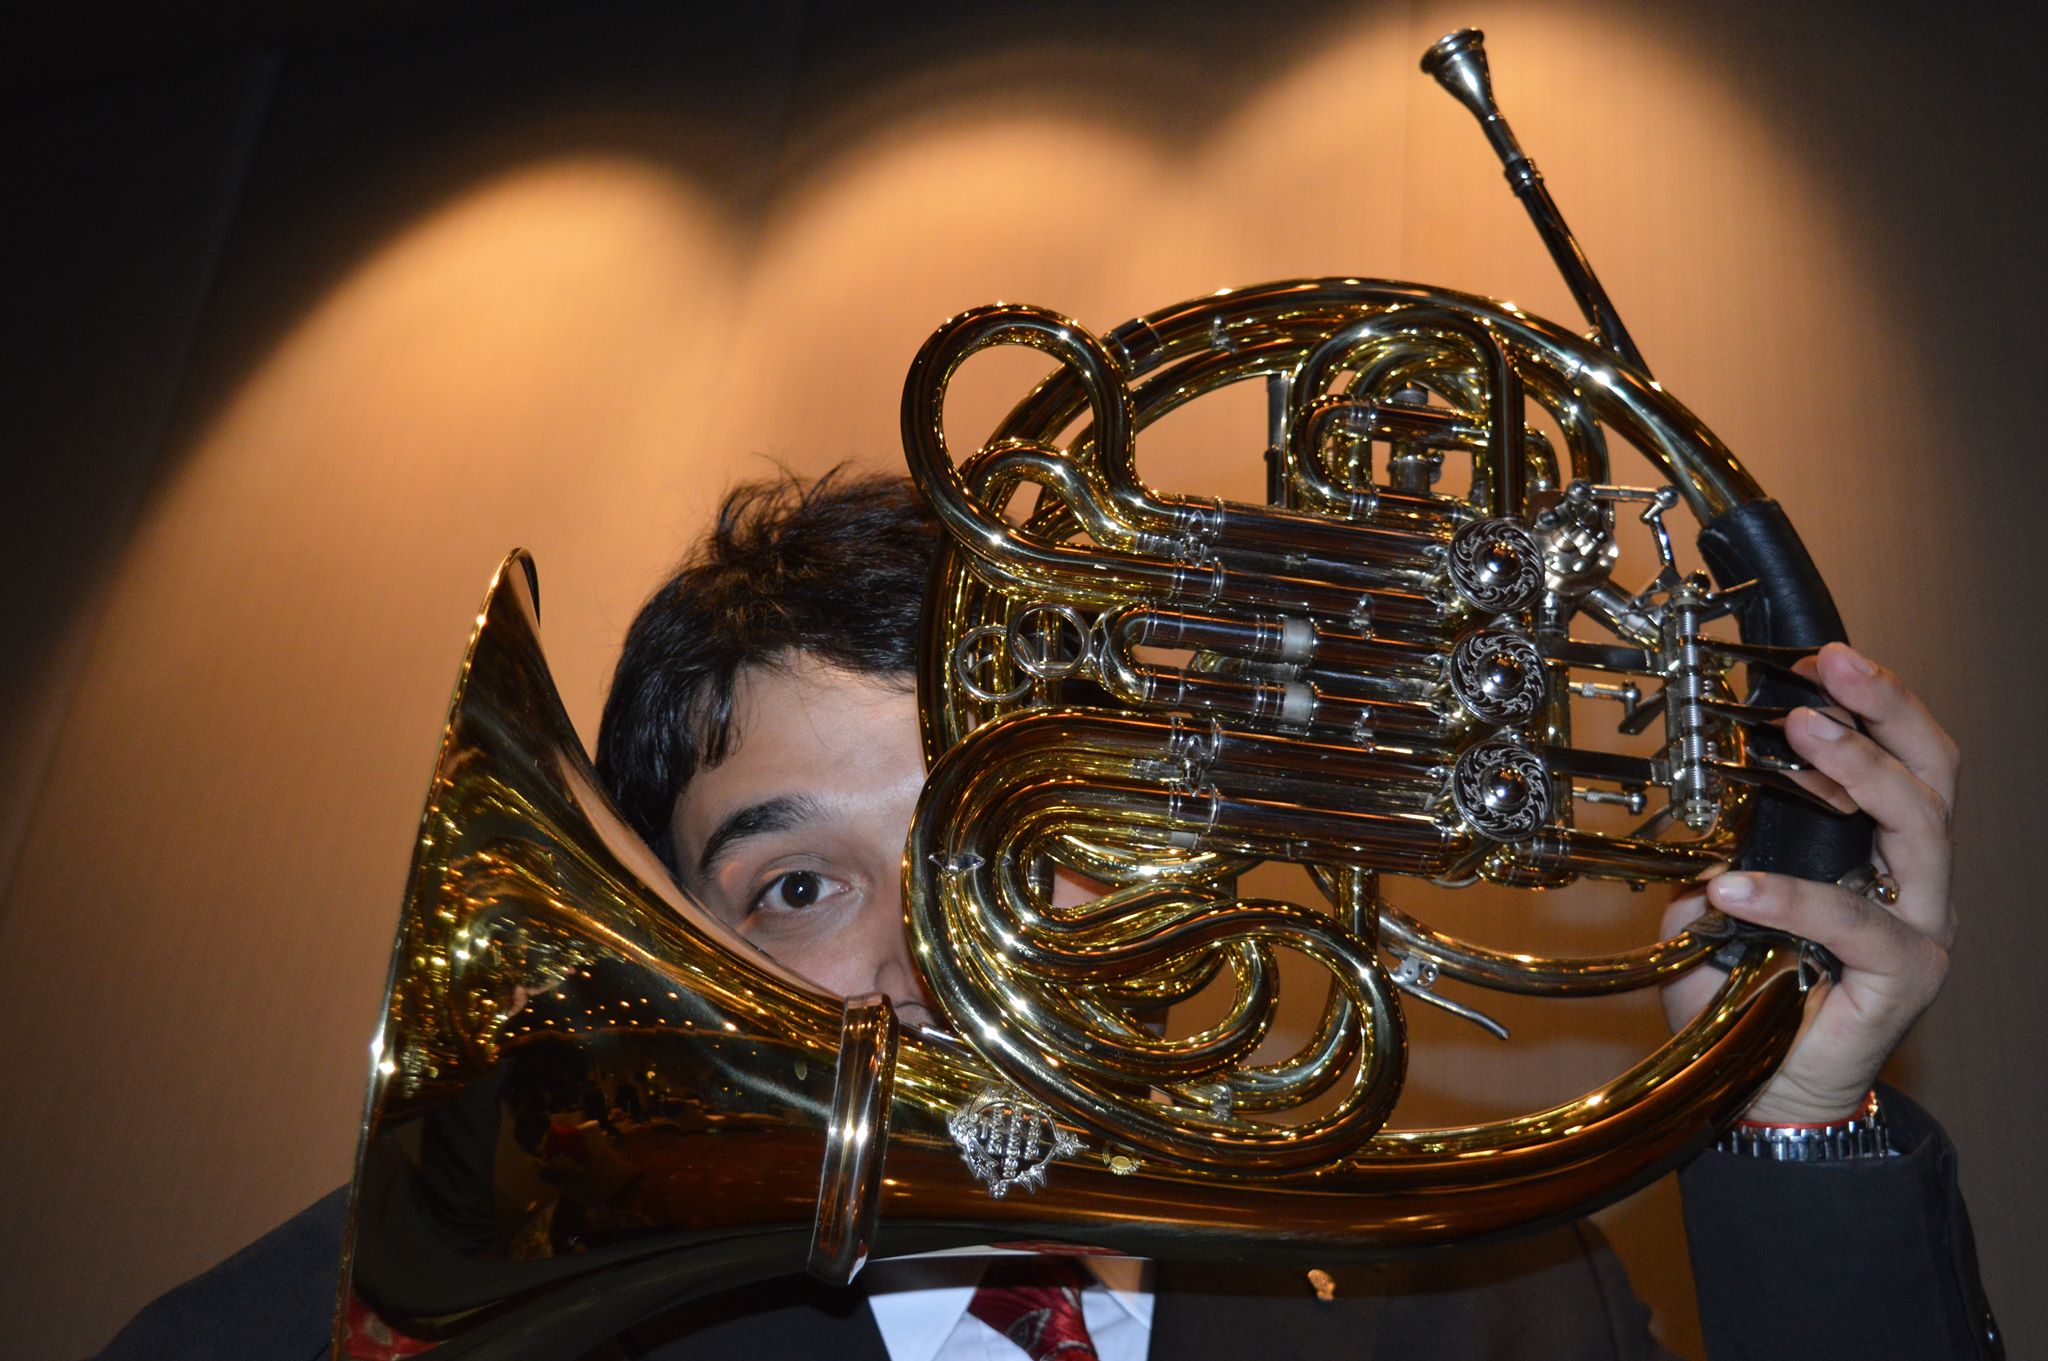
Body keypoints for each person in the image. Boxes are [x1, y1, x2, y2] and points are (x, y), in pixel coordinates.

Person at [96, 471, 1997, 1361]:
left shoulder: (1486, 1289)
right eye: (803, 882)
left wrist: (1793, 1111)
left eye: (1026, 823)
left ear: (1181, 855)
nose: (949, 939)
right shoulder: (554, 1340)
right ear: (677, 967)